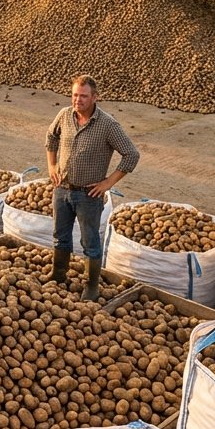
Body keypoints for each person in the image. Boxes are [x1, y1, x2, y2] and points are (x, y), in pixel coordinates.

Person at [45, 74, 140, 300]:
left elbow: (131, 154)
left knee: (90, 242)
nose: (78, 100)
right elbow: (51, 137)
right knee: (60, 236)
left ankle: (91, 285)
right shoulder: (64, 115)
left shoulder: (107, 125)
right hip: (62, 188)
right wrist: (51, 165)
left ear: (95, 97)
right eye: (75, 95)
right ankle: (59, 274)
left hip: (88, 194)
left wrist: (107, 183)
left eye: (83, 96)